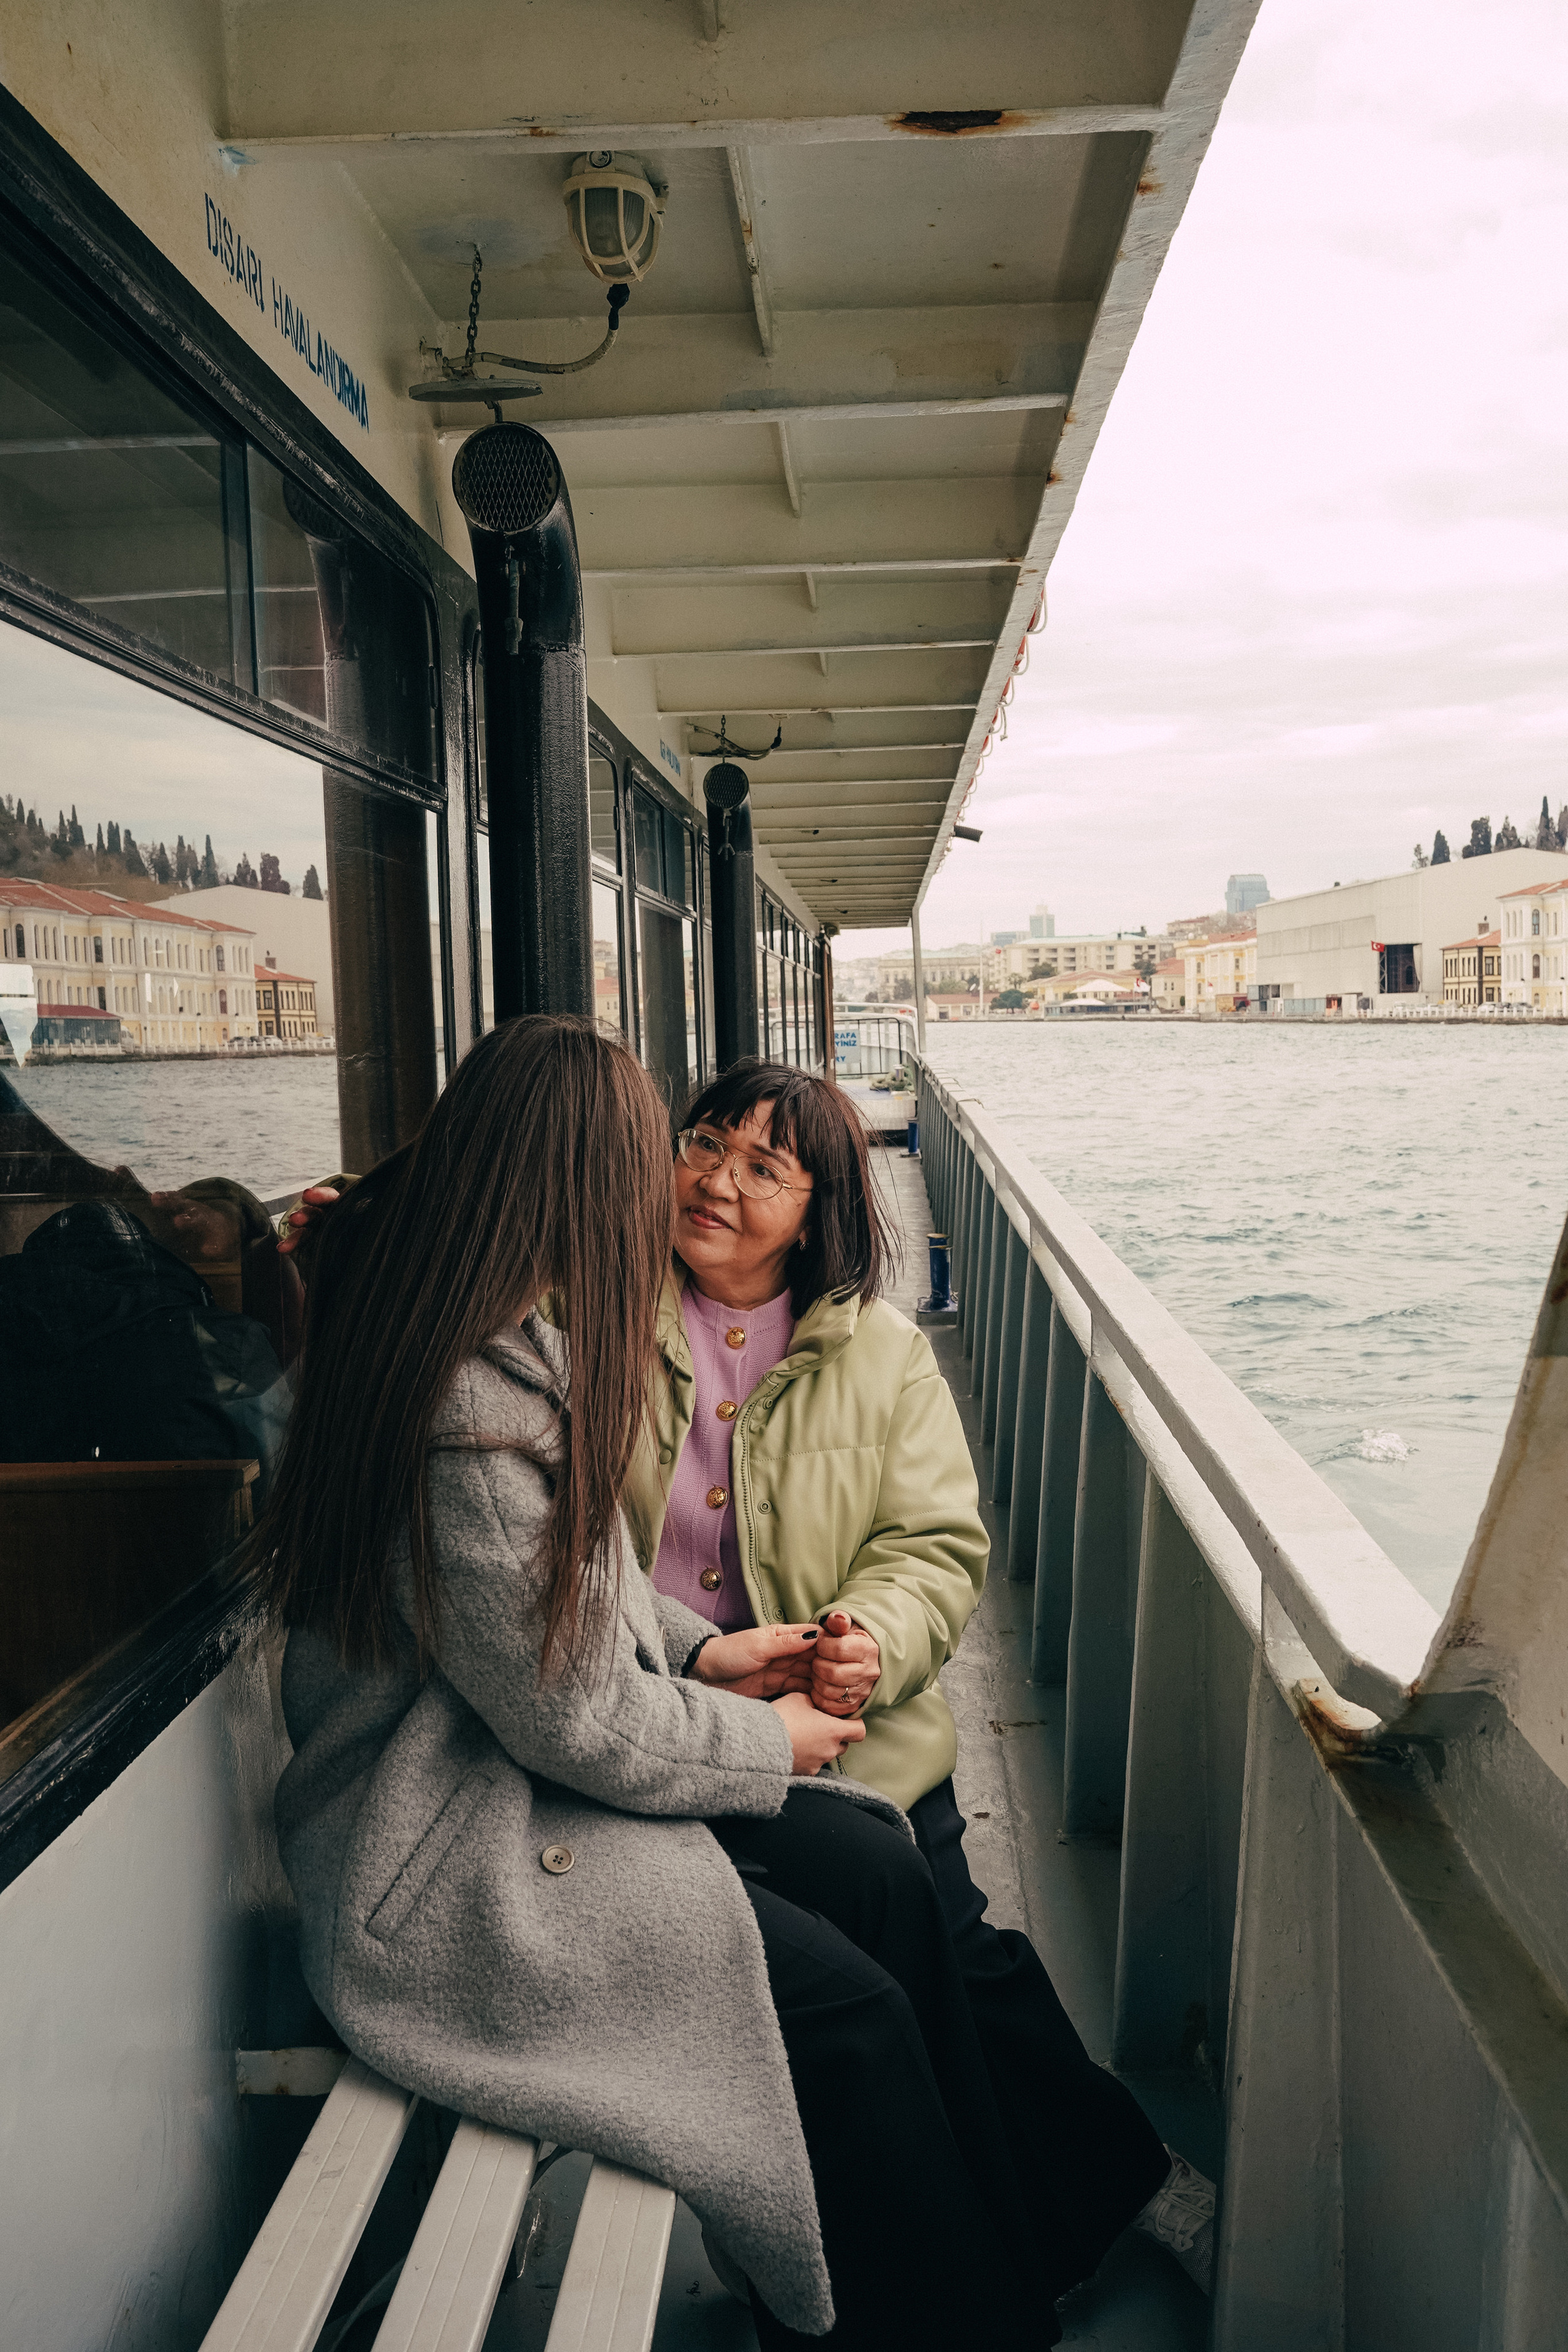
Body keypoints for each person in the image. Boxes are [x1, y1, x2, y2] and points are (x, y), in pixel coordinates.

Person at [279, 1050, 1215, 2310]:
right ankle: (941, 2302)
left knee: (905, 1894)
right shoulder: (560, 1345)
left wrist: (808, 1649)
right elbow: (560, 1670)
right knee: (859, 2009)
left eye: (759, 1166)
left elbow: (921, 1550)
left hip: (778, 1722)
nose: (706, 1182)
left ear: (817, 1209)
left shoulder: (872, 1358)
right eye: (687, 1150)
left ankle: (1022, 2237)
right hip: (561, 1777)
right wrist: (755, 1732)